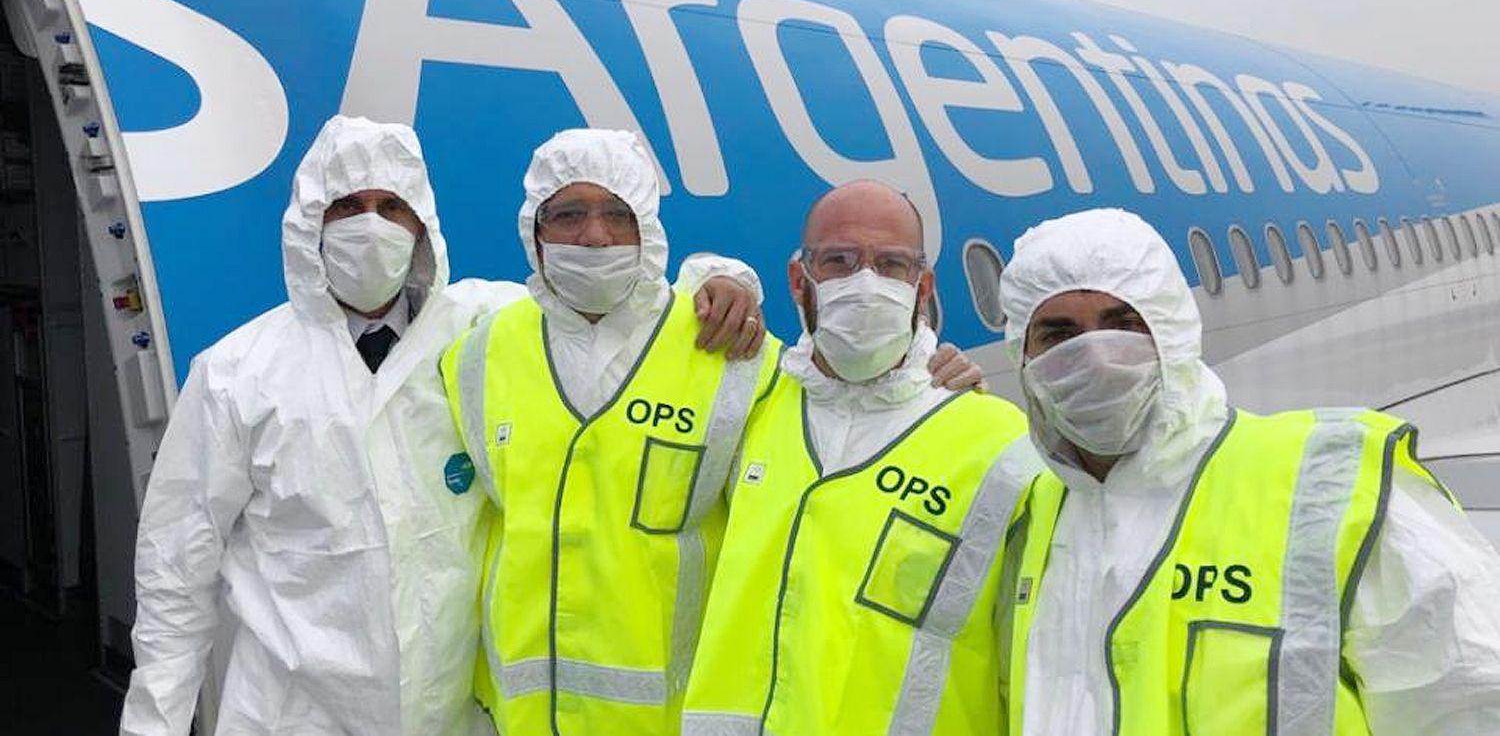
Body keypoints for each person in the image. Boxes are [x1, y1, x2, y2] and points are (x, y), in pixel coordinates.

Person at [120, 116, 765, 736]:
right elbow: (176, 565)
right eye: (347, 206)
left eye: (392, 207)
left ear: (423, 224)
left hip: (447, 713)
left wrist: (721, 279)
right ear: (308, 223)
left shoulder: (480, 329)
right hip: (290, 713)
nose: (371, 227)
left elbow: (608, 309)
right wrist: (155, 724)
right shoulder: (238, 372)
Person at [440, 140, 984, 736]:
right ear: (535, 231)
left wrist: (923, 384)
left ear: (647, 225)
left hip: (672, 719)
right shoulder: (474, 356)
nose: (594, 237)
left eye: (619, 215)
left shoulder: (731, 353)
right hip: (517, 718)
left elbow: (839, 417)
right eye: (567, 214)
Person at [997, 207, 1500, 735]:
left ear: (1173, 333)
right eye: (1059, 335)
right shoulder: (1032, 515)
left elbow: (1470, 697)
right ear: (1023, 355)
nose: (1096, 357)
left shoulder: (1328, 491)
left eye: (1124, 324)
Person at [680, 179, 1038, 736]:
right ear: (800, 280)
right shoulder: (749, 405)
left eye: (892, 264)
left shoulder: (999, 444)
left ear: (923, 287)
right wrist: (713, 277)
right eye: (839, 261)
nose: (865, 282)